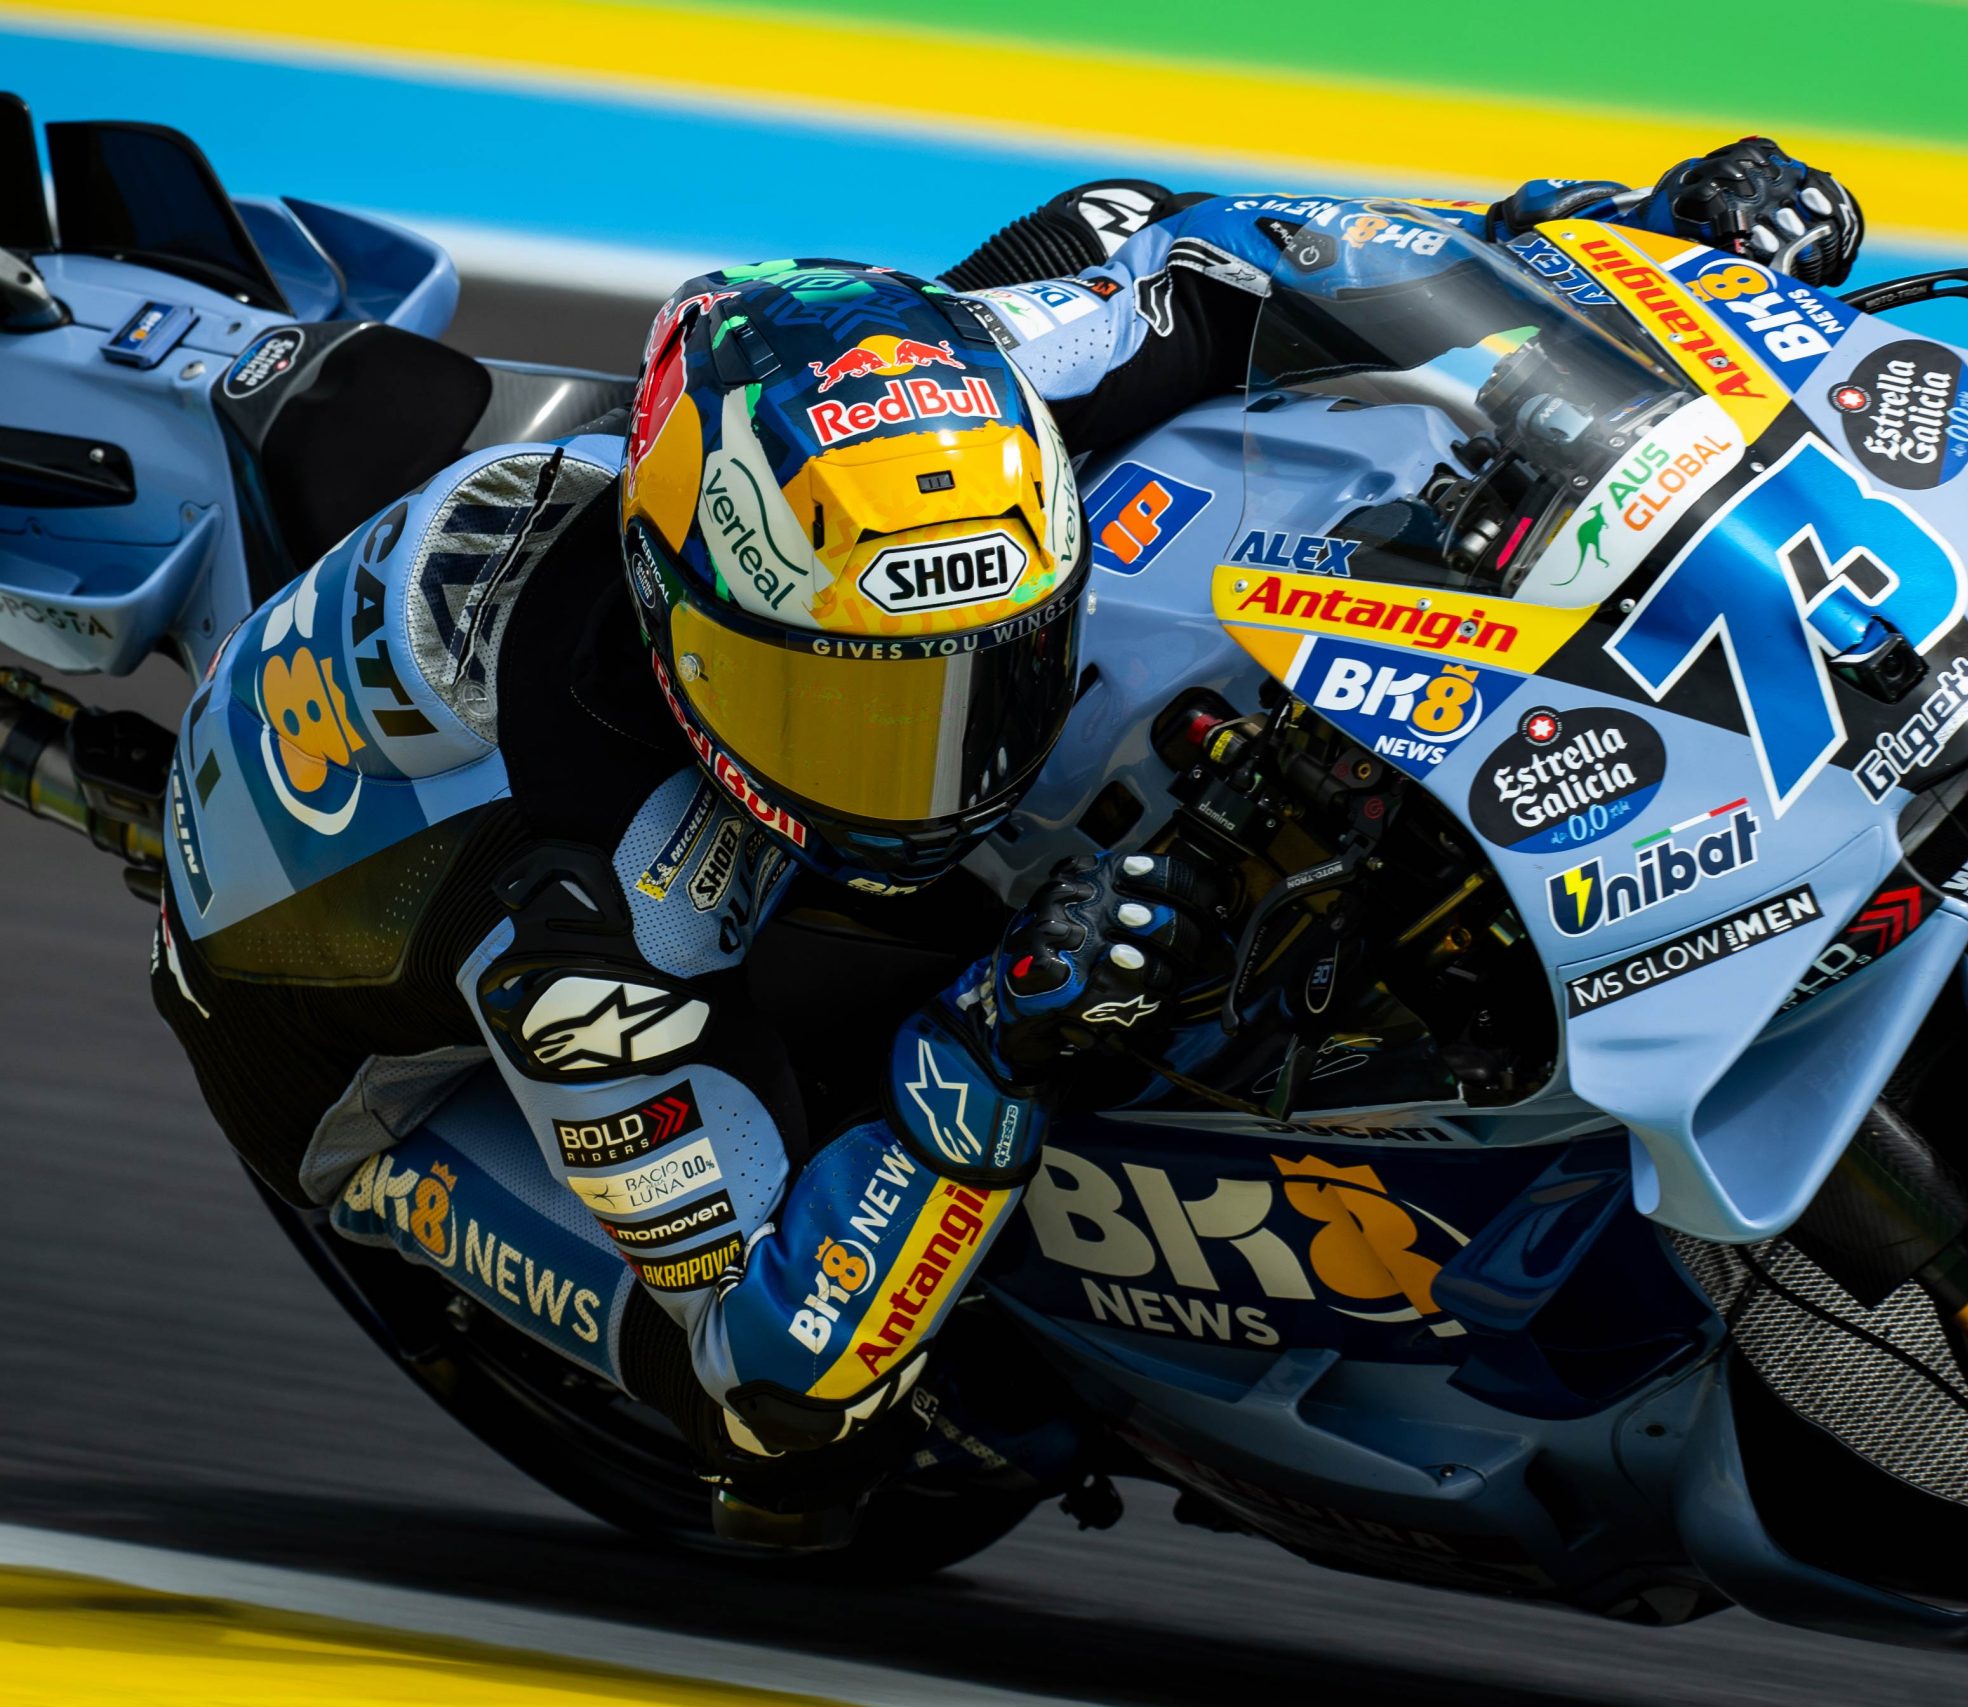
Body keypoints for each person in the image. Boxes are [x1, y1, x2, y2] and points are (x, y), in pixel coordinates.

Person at [149, 139, 1861, 1468]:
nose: (943, 768)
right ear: (693, 639)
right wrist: (986, 1053)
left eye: (989, 671)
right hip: (394, 1077)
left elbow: (1266, 251)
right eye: (848, 708)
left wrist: (1628, 244)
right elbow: (763, 1367)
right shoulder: (587, 930)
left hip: (557, 599)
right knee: (810, 1432)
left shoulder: (978, 375)